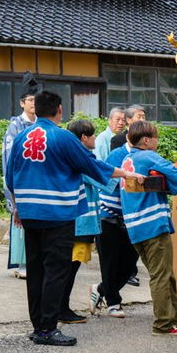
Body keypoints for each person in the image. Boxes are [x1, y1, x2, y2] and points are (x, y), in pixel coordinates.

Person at [6, 90, 144, 346]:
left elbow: (11, 176)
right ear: (59, 110)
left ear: (36, 109)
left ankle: (38, 325)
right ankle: (48, 328)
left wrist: (17, 207)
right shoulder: (63, 137)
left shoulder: (22, 136)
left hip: (29, 212)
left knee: (36, 270)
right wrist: (126, 173)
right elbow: (92, 166)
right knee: (56, 269)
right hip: (57, 212)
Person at [120, 121, 177, 337]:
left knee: (164, 274)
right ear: (146, 140)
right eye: (155, 138)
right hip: (152, 224)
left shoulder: (127, 159)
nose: (157, 141)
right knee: (161, 276)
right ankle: (162, 324)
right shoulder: (148, 156)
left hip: (134, 226)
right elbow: (176, 174)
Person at [58, 119, 109, 325]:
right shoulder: (82, 157)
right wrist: (127, 178)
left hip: (76, 220)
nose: (95, 138)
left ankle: (61, 307)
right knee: (69, 268)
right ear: (83, 138)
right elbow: (102, 178)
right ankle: (62, 308)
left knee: (68, 267)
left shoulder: (74, 155)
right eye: (93, 135)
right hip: (80, 222)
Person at [89, 133, 137, 319]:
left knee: (130, 262)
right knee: (109, 262)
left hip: (130, 218)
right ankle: (113, 302)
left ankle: (100, 288)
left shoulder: (145, 155)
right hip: (108, 214)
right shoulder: (116, 155)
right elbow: (108, 182)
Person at [2, 73, 38, 279]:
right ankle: (22, 263)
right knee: (21, 219)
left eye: (36, 100)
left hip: (39, 180)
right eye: (30, 100)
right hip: (22, 178)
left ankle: (34, 261)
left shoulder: (41, 123)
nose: (34, 104)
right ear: (22, 103)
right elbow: (8, 157)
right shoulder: (15, 126)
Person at [110, 104, 147, 287]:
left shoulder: (147, 144)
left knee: (132, 250)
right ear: (129, 120)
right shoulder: (118, 143)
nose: (142, 119)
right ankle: (110, 290)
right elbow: (110, 173)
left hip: (138, 203)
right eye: (139, 116)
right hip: (119, 203)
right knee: (119, 251)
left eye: (144, 116)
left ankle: (124, 276)